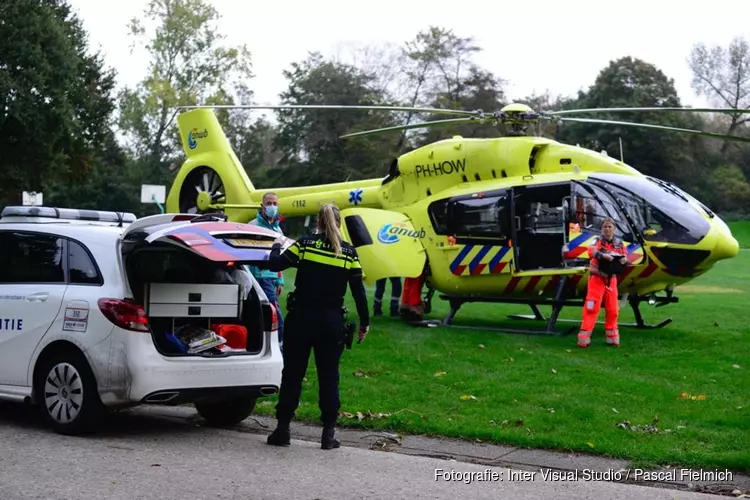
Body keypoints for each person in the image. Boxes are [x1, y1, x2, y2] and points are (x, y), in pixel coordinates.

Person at [258, 204, 370, 450]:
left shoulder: (305, 245)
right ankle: (328, 435)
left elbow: (275, 265)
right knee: (329, 377)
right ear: (339, 224)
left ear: (318, 222)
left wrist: (277, 244)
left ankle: (283, 430)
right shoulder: (348, 253)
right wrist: (365, 322)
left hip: (301, 320)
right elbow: (358, 291)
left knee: (292, 376)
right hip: (331, 324)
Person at [577, 217, 628, 348]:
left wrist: (624, 260)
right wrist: (602, 255)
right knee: (591, 308)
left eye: (610, 227)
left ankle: (612, 338)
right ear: (601, 229)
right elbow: (590, 250)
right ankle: (584, 339)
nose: (607, 229)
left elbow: (626, 257)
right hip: (597, 278)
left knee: (613, 309)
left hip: (611, 280)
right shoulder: (597, 241)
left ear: (614, 229)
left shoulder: (619, 243)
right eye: (605, 227)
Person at [246, 192, 286, 346]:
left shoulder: (278, 228)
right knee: (275, 316)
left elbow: (279, 255)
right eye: (269, 203)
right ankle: (280, 347)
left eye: (275, 203)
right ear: (262, 206)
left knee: (266, 314)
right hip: (258, 277)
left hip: (271, 277)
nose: (272, 207)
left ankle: (269, 345)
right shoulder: (253, 226)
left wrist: (279, 279)